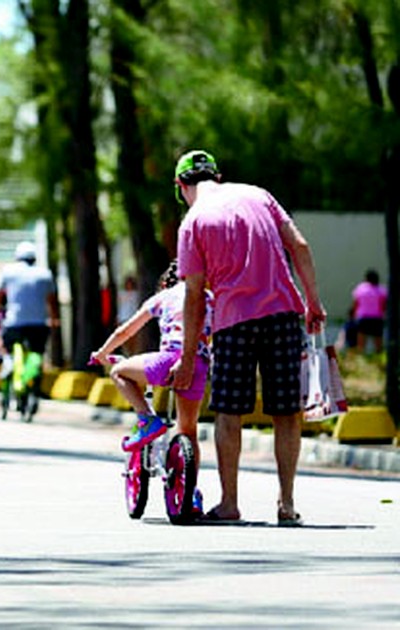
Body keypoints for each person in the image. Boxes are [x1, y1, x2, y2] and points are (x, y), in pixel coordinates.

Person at [169, 150, 325, 526]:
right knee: (287, 412)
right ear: (217, 176)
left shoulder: (193, 222)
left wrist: (188, 359)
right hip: (284, 314)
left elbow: (193, 296)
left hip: (233, 322)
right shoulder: (258, 195)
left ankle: (230, 503)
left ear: (181, 187)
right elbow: (299, 245)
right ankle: (286, 504)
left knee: (229, 412)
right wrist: (313, 302)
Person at [91, 261, 213, 463]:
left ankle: (147, 419)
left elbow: (126, 331)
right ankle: (188, 490)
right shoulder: (209, 298)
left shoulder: (163, 297)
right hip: (197, 365)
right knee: (189, 431)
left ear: (167, 282)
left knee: (118, 372)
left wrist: (103, 353)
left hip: (168, 361)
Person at [0, 241, 59, 412]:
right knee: (36, 355)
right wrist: (53, 319)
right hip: (38, 324)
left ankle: (9, 364)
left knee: (8, 347)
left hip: (14, 323)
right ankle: (33, 388)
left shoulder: (8, 271)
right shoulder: (45, 274)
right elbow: (51, 300)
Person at [351, 269, 387, 354]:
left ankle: (360, 362)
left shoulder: (361, 288)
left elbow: (356, 303)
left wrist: (354, 314)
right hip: (377, 318)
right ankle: (380, 361)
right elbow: (383, 305)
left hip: (363, 318)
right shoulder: (382, 290)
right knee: (379, 344)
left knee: (361, 344)